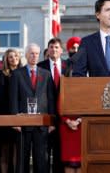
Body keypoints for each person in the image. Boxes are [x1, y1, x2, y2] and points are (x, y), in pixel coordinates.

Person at [9, 43, 56, 173]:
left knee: (41, 159)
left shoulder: (46, 74)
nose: (34, 56)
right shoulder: (17, 74)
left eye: (36, 53)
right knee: (22, 159)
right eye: (31, 53)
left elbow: (51, 98)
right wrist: (15, 121)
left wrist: (52, 122)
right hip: (22, 125)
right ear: (26, 55)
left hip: (42, 124)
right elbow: (13, 98)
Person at [37, 38, 69, 173]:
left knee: (60, 150)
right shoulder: (40, 66)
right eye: (51, 47)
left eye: (56, 47)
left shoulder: (69, 66)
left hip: (64, 113)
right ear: (48, 50)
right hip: (46, 113)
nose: (54, 50)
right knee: (43, 151)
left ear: (61, 50)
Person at [0, 49, 23, 173]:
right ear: (6, 60)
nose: (13, 58)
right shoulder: (2, 75)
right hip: (6, 116)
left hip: (20, 116)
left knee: (16, 150)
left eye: (15, 56)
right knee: (5, 150)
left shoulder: (24, 73)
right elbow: (2, 96)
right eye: (10, 57)